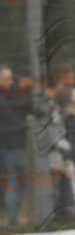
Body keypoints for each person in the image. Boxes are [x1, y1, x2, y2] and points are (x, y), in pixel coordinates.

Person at [0, 65, 29, 226]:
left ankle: (13, 216)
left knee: (14, 182)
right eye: (6, 78)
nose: (10, 81)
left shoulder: (8, 95)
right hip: (11, 146)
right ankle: (31, 215)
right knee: (21, 181)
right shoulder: (2, 99)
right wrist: (25, 125)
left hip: (11, 146)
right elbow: (10, 119)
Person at [49, 85, 75, 216]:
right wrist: (69, 148)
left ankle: (66, 211)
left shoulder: (71, 115)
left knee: (69, 184)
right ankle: (57, 213)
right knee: (59, 186)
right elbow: (55, 138)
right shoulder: (57, 115)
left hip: (69, 155)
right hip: (59, 157)